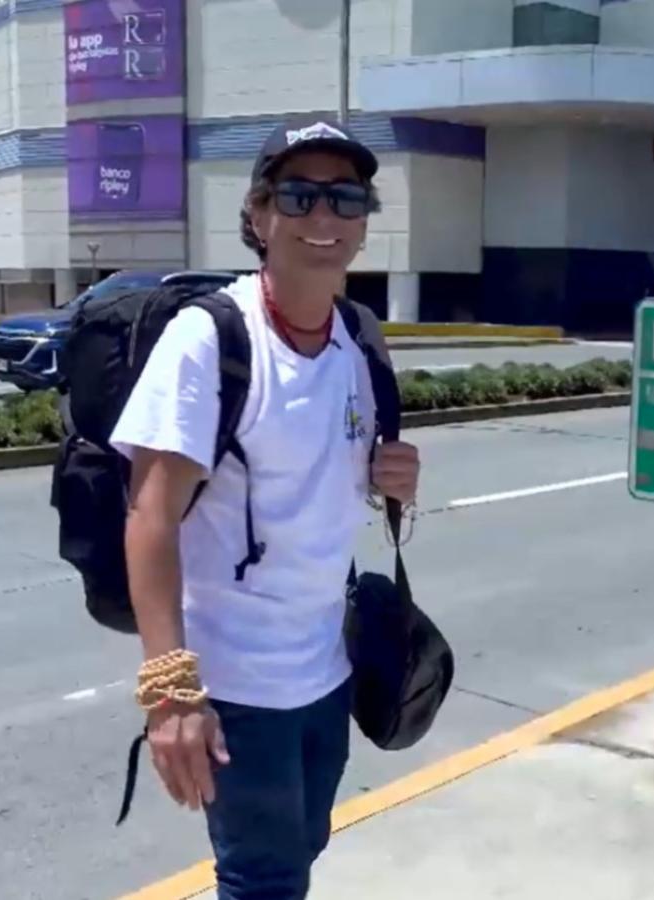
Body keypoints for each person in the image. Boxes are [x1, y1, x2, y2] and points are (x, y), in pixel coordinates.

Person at [109, 118, 421, 899]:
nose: (325, 217)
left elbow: (334, 483)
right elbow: (149, 518)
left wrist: (395, 479)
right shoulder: (210, 339)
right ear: (258, 215)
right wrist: (172, 692)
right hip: (236, 683)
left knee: (298, 853)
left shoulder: (357, 337)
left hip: (327, 670)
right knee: (264, 881)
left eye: (346, 198)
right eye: (300, 195)